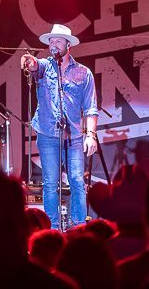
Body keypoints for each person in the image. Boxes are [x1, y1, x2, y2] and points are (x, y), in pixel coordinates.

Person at [20, 23, 99, 230]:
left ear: (68, 44)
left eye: (57, 41)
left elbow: (91, 107)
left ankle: (79, 226)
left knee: (77, 182)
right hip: (47, 133)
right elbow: (35, 65)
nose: (53, 45)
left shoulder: (84, 73)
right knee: (50, 183)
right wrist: (30, 61)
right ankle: (52, 228)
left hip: (73, 135)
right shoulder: (45, 66)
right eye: (51, 41)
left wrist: (90, 134)